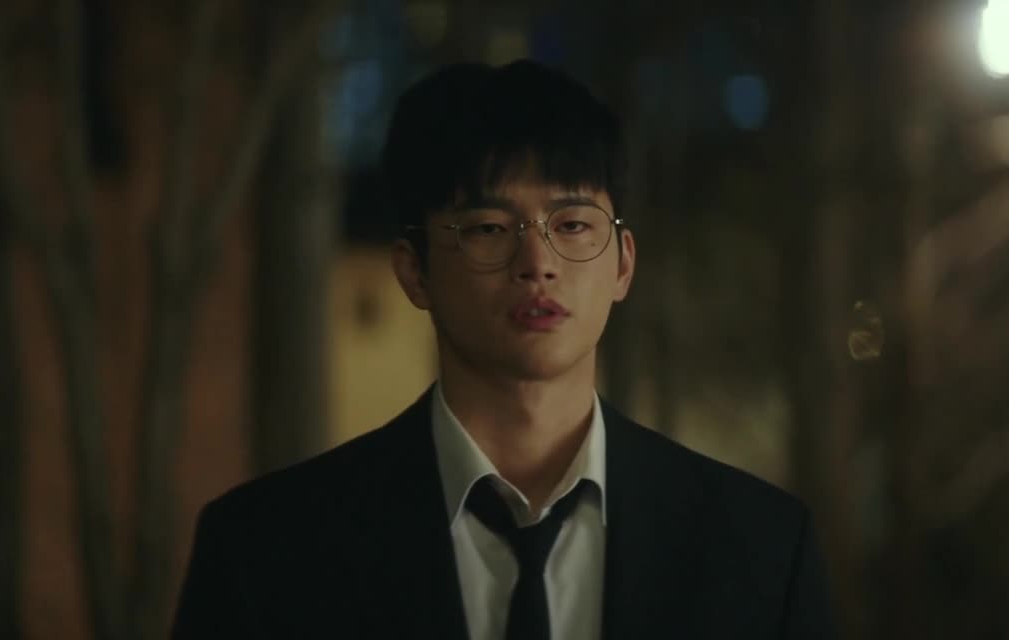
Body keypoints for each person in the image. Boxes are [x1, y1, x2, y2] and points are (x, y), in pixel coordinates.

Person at [171, 59, 837, 639]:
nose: (537, 262)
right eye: (489, 228)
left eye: (572, 224)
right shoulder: (268, 550)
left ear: (623, 263)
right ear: (414, 271)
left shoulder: (760, 548)